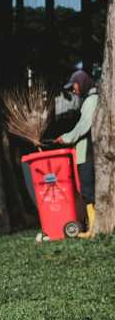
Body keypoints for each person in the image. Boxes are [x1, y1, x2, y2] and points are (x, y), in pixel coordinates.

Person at [55, 69, 100, 238]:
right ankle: (92, 225)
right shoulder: (89, 100)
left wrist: (66, 138)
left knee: (88, 187)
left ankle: (94, 229)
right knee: (87, 188)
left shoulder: (92, 100)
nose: (73, 90)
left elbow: (84, 126)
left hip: (88, 151)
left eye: (74, 86)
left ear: (81, 83)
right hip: (84, 151)